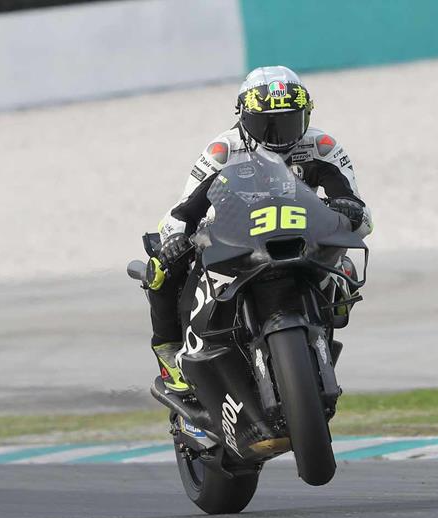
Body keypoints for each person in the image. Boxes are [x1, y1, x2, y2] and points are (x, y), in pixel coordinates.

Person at [148, 66, 372, 392]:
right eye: (265, 124)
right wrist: (176, 240)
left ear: (306, 115)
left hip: (299, 236)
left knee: (346, 259)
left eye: (288, 122)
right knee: (160, 266)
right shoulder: (223, 150)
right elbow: (181, 213)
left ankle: (323, 309)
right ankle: (169, 352)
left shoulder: (321, 147)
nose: (277, 135)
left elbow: (362, 217)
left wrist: (348, 209)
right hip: (236, 237)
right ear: (242, 117)